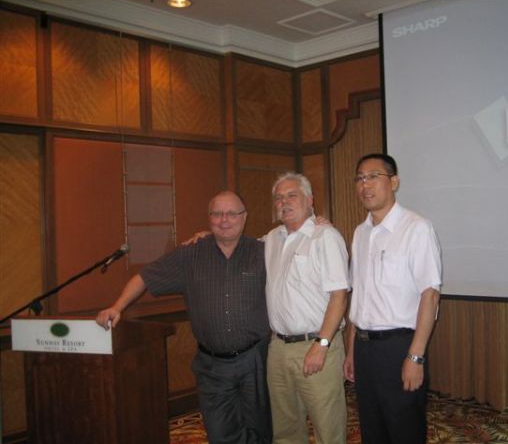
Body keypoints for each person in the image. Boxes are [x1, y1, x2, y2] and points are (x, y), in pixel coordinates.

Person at [96, 191, 272, 444]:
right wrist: (117, 307)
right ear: (209, 218)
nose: (224, 219)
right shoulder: (189, 254)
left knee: (261, 430)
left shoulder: (264, 252)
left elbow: (297, 248)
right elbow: (144, 277)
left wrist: (317, 223)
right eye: (217, 214)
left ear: (244, 217)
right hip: (212, 367)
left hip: (255, 361)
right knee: (220, 434)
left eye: (232, 213)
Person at [343, 153, 442, 444]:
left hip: (399, 347)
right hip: (364, 349)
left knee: (404, 430)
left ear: (394, 182)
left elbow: (430, 295)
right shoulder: (360, 233)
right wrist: (351, 350)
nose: (365, 184)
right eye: (360, 178)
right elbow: (359, 297)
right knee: (372, 430)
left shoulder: (416, 228)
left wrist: (415, 356)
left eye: (373, 176)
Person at [265, 172, 350, 444]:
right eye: (279, 198)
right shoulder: (272, 239)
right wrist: (209, 236)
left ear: (310, 200)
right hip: (278, 349)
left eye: (292, 195)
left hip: (316, 345)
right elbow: (235, 245)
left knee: (328, 428)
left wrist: (321, 344)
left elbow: (339, 296)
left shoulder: (325, 236)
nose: (284, 202)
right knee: (285, 430)